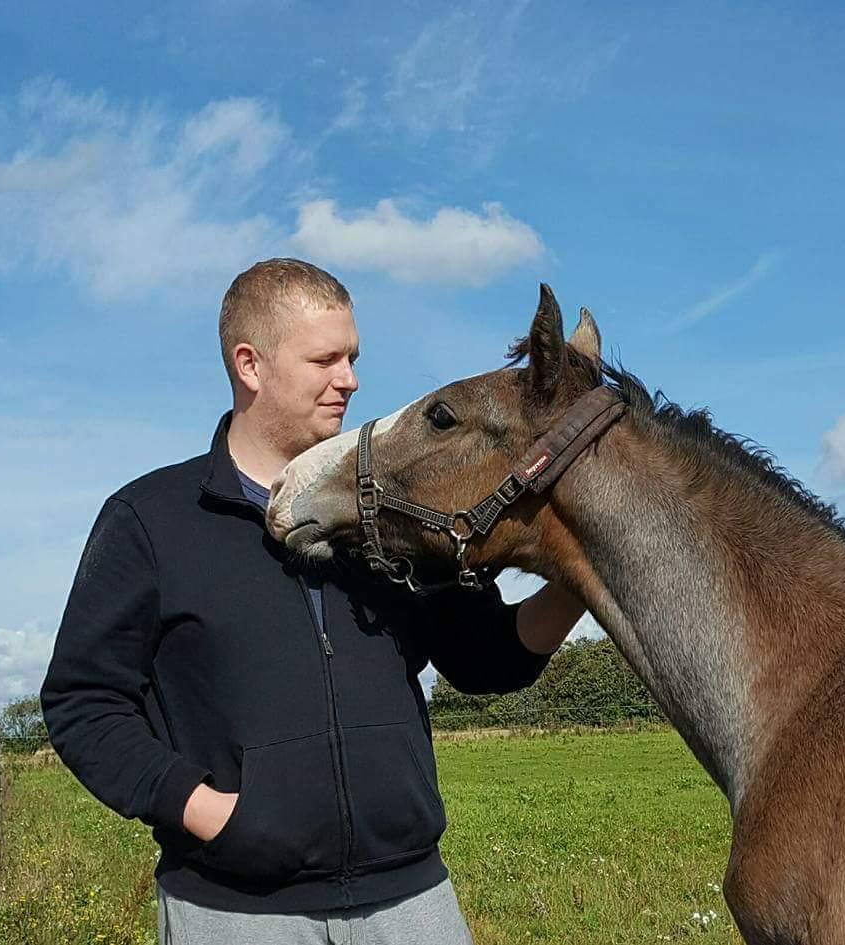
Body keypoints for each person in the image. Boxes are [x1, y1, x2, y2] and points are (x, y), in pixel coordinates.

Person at [39, 258, 586, 944]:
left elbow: (488, 658)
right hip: (235, 911)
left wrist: (577, 582)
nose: (350, 378)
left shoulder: (394, 515)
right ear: (251, 364)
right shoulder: (151, 519)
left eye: (353, 356)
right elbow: (82, 702)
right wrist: (203, 807)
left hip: (411, 901)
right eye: (326, 358)